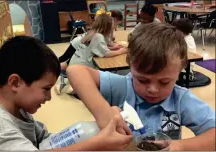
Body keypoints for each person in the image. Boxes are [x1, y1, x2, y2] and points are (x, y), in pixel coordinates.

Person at [0, 36, 133, 151]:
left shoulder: (18, 109)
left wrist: (91, 132)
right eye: (46, 89)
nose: (49, 98)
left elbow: (45, 141)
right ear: (15, 83)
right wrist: (98, 142)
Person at [67, 23, 215, 151]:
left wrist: (179, 147)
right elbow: (75, 71)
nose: (152, 89)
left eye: (164, 82)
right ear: (130, 65)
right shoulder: (122, 87)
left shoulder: (181, 99)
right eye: (143, 80)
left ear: (181, 68)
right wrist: (104, 115)